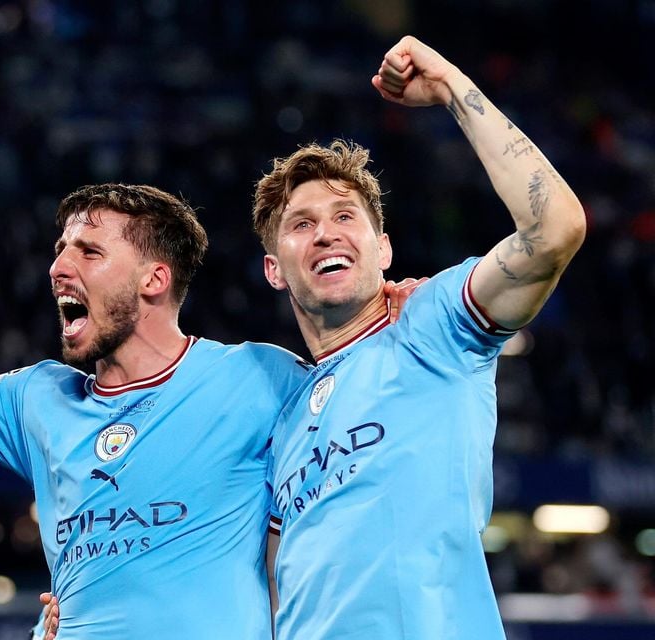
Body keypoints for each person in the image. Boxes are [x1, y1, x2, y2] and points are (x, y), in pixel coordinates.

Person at [0, 167, 415, 637]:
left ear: (154, 280)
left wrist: (403, 321)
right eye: (59, 250)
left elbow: (363, 437)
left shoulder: (259, 378)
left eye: (88, 251)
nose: (57, 267)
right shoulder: (38, 399)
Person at [251, 36, 585, 639]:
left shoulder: (430, 325)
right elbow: (274, 587)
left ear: (384, 249)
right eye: (302, 225)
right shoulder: (283, 416)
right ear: (275, 269)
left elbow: (554, 228)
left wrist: (453, 86)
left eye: (345, 216)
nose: (326, 234)